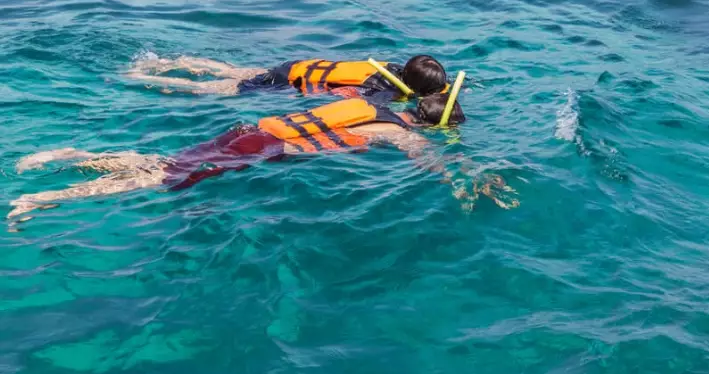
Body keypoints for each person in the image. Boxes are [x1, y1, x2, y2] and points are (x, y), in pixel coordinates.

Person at [9, 94, 517, 221]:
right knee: (158, 179)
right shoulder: (401, 134)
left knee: (163, 161)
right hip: (269, 151)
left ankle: (71, 155)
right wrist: (465, 177)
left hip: (250, 132)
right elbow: (431, 162)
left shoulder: (374, 107)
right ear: (438, 126)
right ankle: (47, 196)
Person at [126, 54, 448, 98]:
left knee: (235, 71)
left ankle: (170, 61)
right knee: (221, 89)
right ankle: (152, 80)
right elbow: (343, 95)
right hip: (291, 82)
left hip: (294, 66)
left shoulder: (389, 67)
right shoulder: (384, 91)